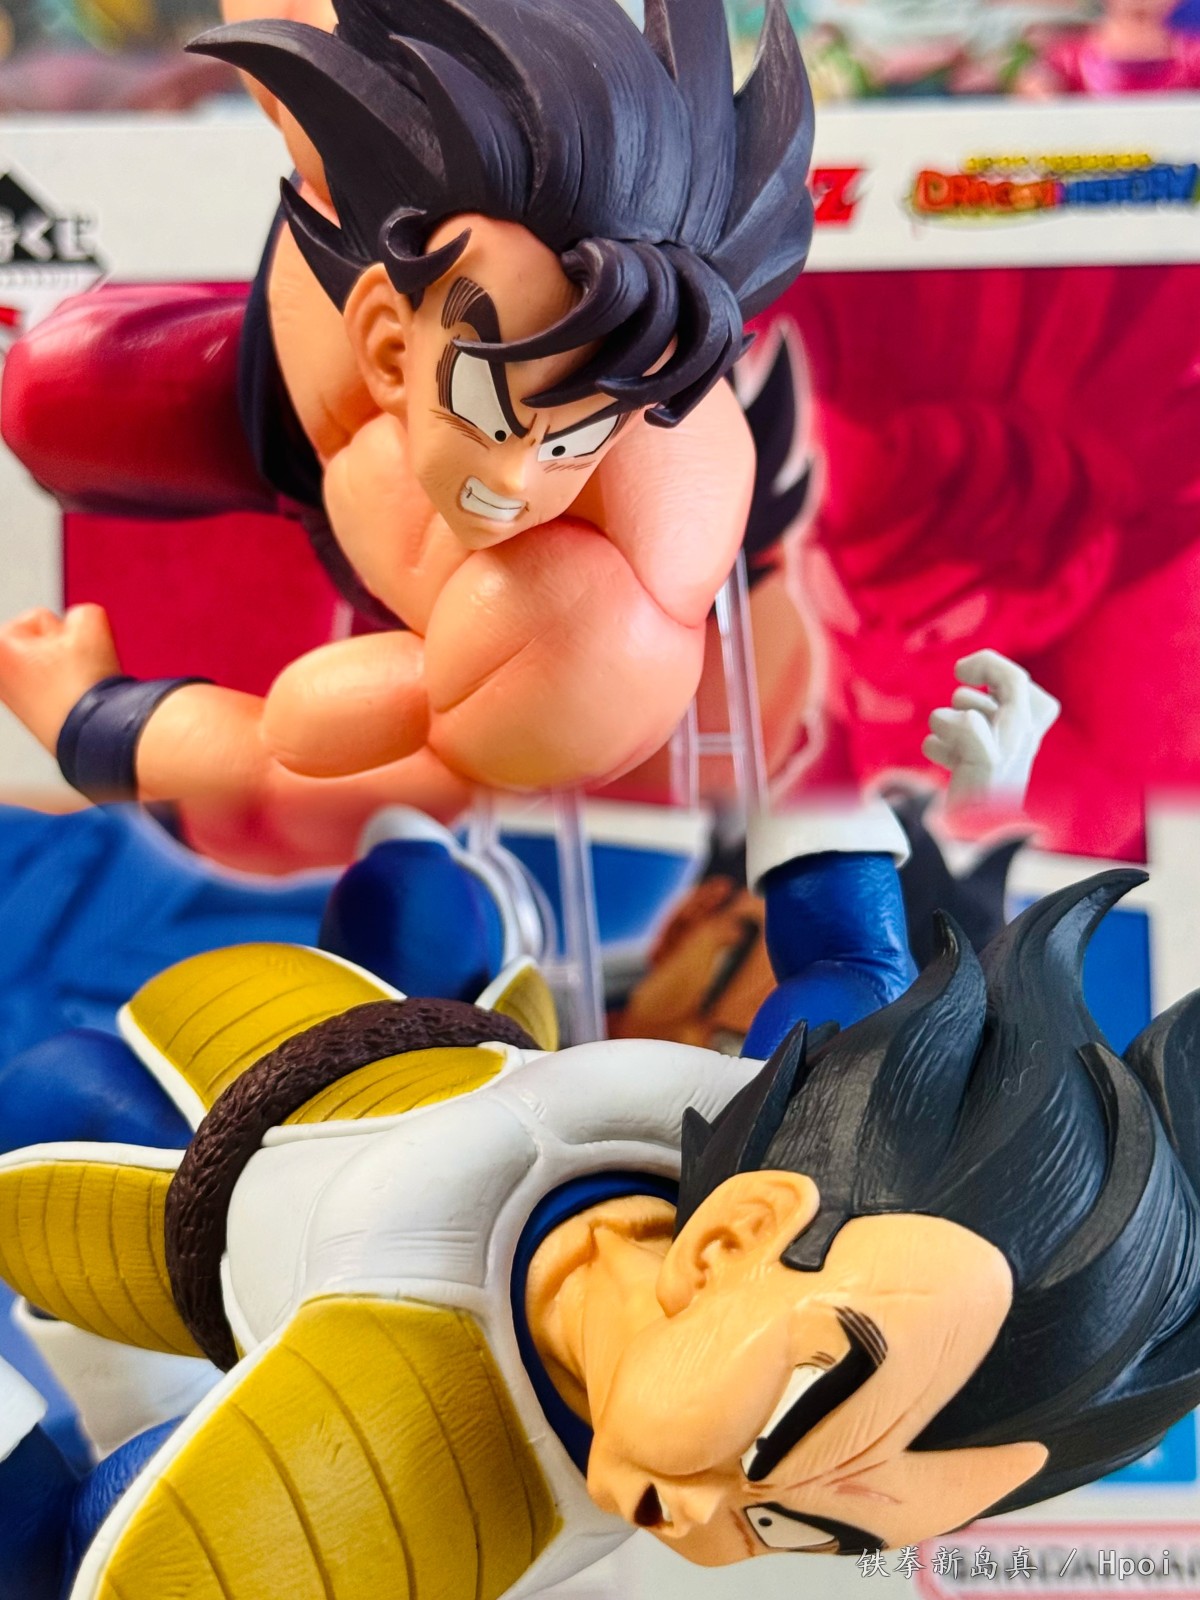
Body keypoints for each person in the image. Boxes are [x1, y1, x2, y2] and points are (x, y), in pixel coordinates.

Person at [2, 862, 1199, 1597]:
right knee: (422, 888)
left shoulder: (441, 1492)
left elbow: (101, 1564)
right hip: (389, 1016)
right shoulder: (786, 1118)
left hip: (153, 1200)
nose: (700, 1520)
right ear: (733, 1238)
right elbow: (839, 936)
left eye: (787, 1530)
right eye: (773, 1433)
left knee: (44, 1101)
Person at [0, 0, 815, 823]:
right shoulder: (396, 140)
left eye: (574, 439)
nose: (515, 482)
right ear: (386, 344)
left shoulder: (583, 617)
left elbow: (295, 781)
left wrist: (89, 721)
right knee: (50, 394)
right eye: (491, 416)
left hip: (444, 584)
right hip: (297, 374)